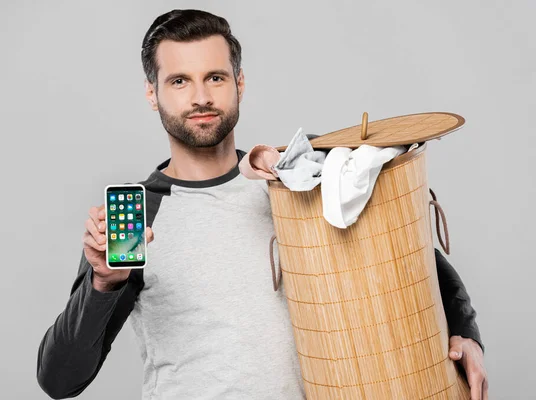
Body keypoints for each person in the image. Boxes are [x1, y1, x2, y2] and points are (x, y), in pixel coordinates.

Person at [37, 9, 488, 400]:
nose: (200, 97)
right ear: (152, 93)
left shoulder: (297, 177)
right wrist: (103, 285)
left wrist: (466, 333)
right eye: (179, 81)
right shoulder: (138, 216)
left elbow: (410, 254)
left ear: (239, 83)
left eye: (215, 77)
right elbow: (60, 379)